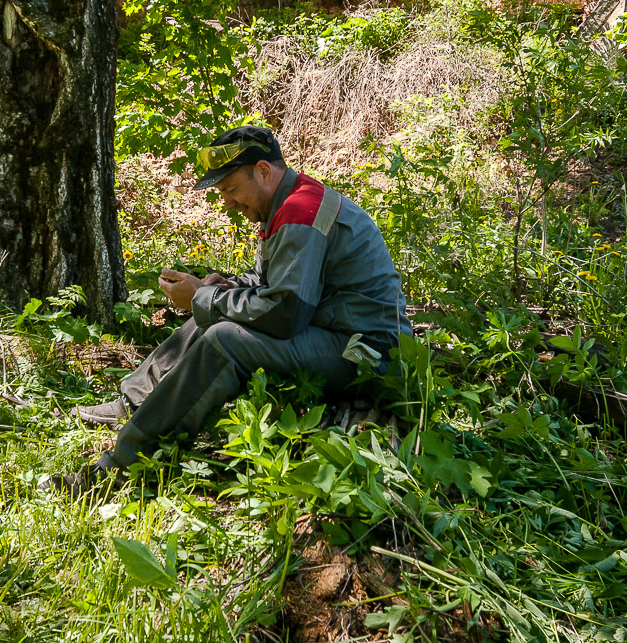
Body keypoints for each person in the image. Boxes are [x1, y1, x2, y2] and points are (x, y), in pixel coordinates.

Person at [43, 126, 409, 494]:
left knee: (224, 338)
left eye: (231, 190)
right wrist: (219, 288)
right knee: (215, 308)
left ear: (264, 172)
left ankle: (122, 470)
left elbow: (285, 314)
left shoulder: (301, 210)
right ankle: (135, 401)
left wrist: (202, 299)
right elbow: (268, 281)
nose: (228, 203)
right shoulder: (288, 201)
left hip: (368, 355)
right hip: (333, 333)